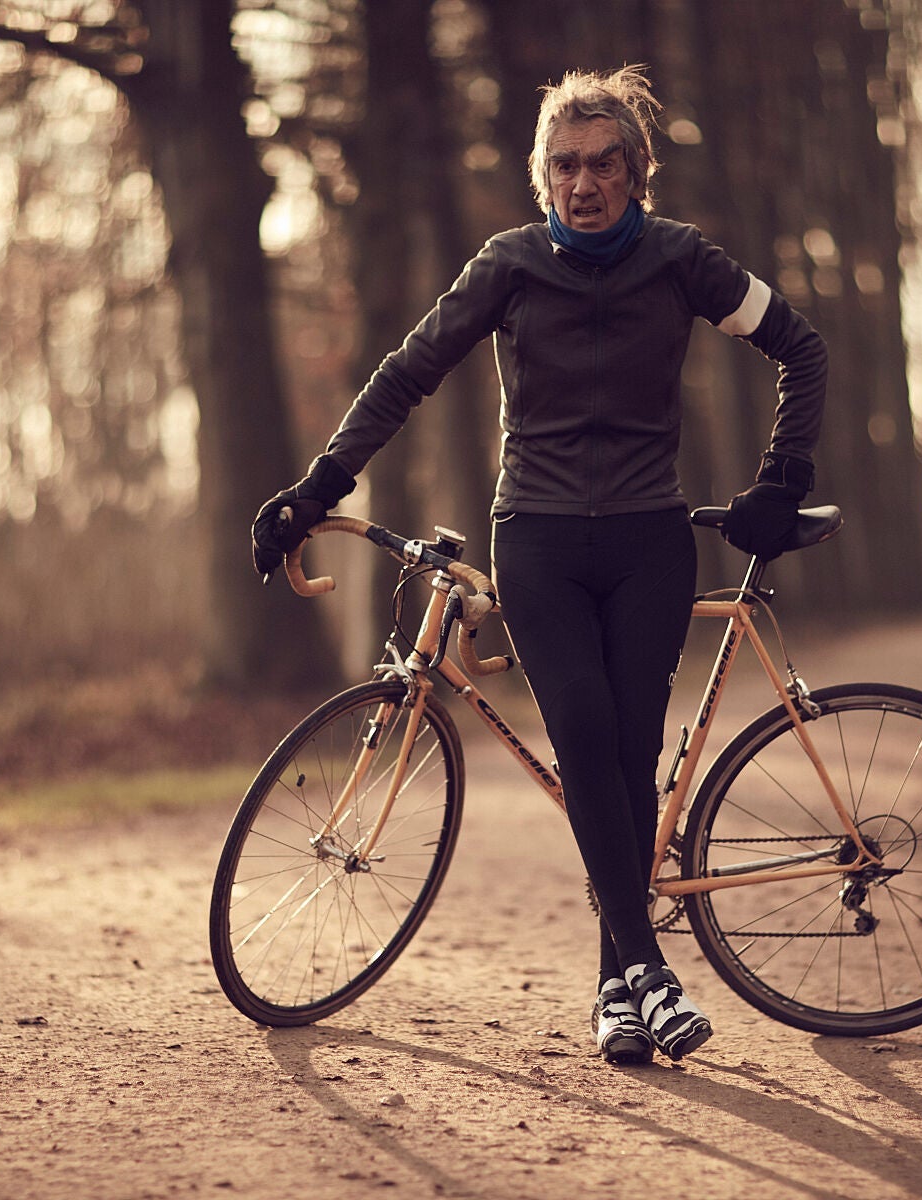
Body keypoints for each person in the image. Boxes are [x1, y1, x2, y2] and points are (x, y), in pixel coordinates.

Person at [251, 66, 826, 1065]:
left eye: (605, 164)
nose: (585, 182)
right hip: (542, 540)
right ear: (542, 179)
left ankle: (617, 985)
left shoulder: (684, 261)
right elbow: (404, 377)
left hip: (649, 538)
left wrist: (781, 477)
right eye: (565, 166)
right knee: (587, 733)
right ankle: (648, 972)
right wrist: (318, 486)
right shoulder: (508, 267)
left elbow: (802, 348)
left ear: (638, 173)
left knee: (628, 761)